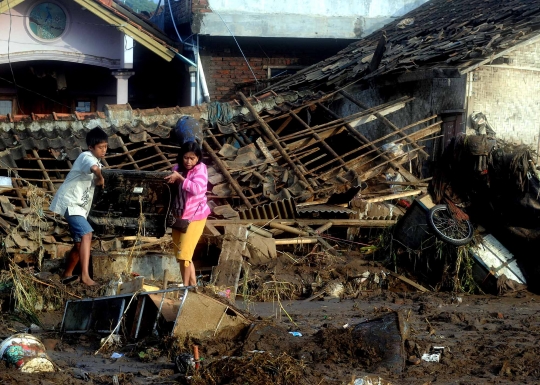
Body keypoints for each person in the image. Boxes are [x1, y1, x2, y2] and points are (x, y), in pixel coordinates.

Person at [49, 127, 108, 286]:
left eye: (105, 147)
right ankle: (85, 276)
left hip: (79, 208)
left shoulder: (96, 161)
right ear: (91, 147)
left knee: (79, 244)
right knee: (87, 234)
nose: (104, 150)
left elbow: (95, 174)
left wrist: (99, 179)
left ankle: (66, 274)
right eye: (100, 147)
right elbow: (95, 170)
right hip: (71, 203)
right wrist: (100, 177)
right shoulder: (86, 156)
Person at [164, 141, 211, 287]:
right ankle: (193, 287)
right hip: (179, 217)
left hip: (195, 217)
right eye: (186, 158)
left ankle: (185, 288)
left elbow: (197, 189)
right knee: (181, 256)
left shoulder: (201, 170)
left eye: (192, 158)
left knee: (184, 255)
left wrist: (181, 179)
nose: (189, 161)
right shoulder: (177, 169)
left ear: (198, 158)